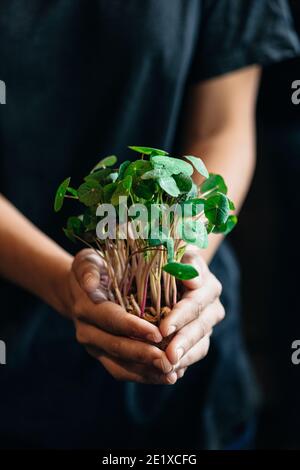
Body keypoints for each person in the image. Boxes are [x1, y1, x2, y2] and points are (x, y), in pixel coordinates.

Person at [0, 0, 298, 449]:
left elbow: (223, 129)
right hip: (17, 377)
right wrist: (65, 284)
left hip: (194, 400)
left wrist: (183, 262)